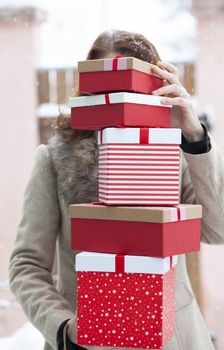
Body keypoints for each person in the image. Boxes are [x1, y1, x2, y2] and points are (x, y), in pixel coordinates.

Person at [9, 30, 224, 350]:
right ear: (89, 91)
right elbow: (26, 266)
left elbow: (217, 230)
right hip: (90, 341)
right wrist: (64, 327)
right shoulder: (55, 159)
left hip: (174, 338)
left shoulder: (174, 151)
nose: (122, 104)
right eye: (109, 91)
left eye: (131, 91)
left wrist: (193, 135)